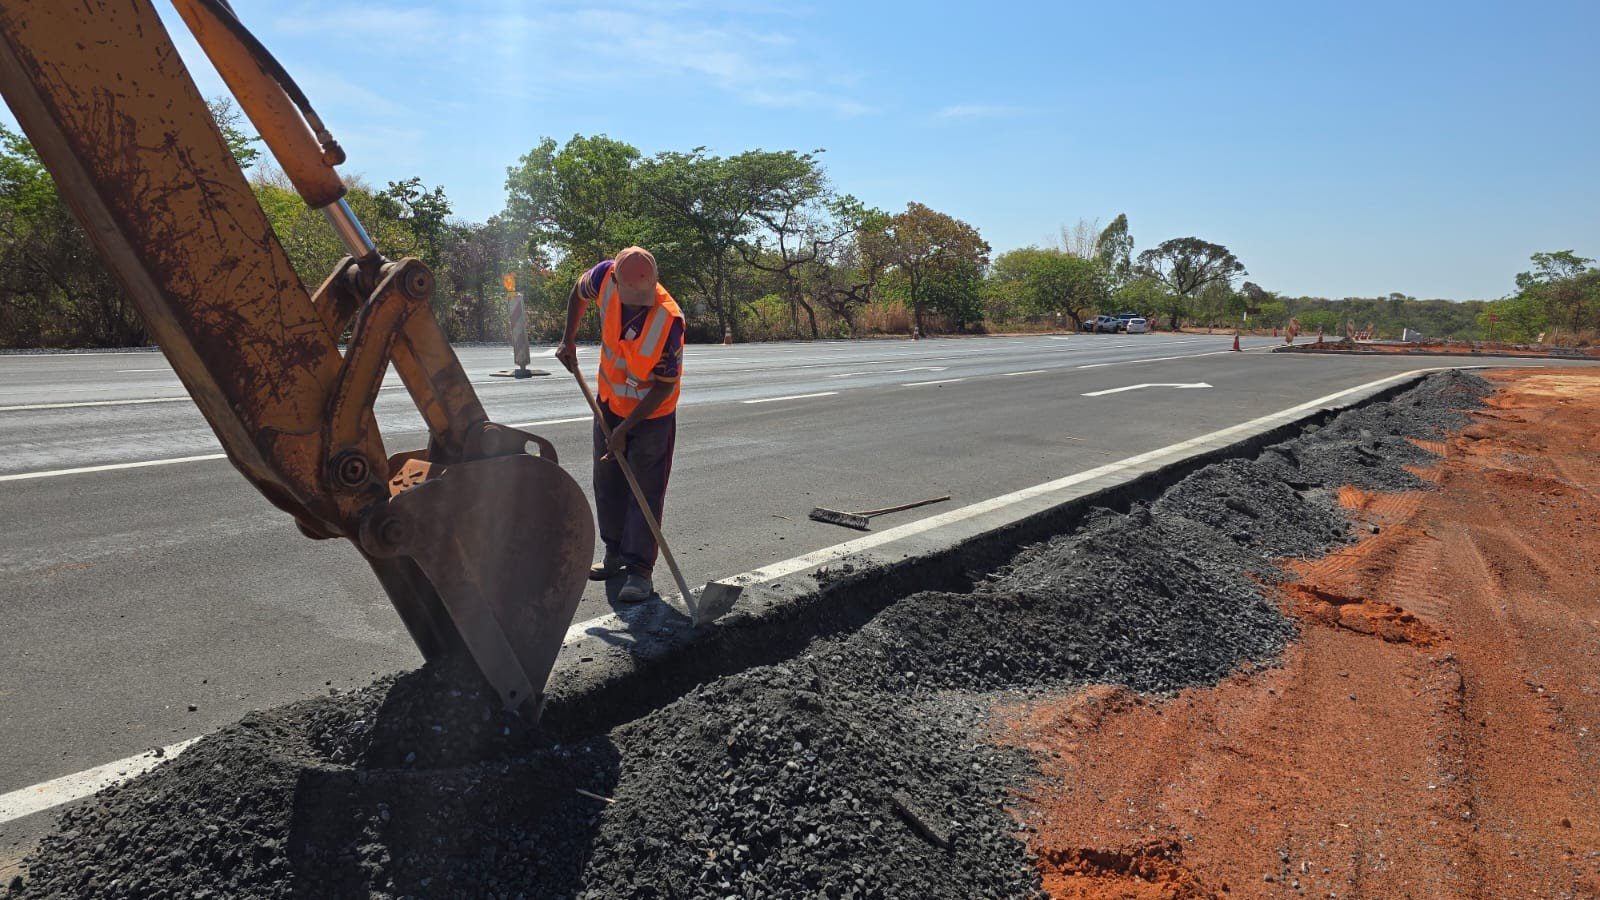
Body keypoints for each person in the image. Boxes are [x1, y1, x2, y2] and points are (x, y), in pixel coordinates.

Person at [555, 246, 685, 604]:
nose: (637, 305)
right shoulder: (603, 277)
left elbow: (664, 386)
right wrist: (568, 340)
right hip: (609, 402)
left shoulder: (669, 320)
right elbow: (577, 292)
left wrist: (626, 429)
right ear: (614, 279)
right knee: (607, 480)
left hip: (652, 416)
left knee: (644, 489)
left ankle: (640, 571)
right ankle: (614, 553)